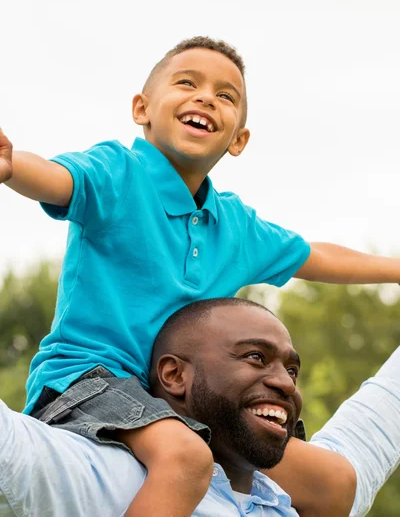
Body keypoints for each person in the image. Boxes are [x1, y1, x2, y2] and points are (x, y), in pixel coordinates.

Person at [1, 36, 400, 517]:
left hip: (186, 405)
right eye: (187, 83)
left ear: (238, 139)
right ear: (142, 108)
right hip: (89, 382)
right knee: (185, 458)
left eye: (226, 95)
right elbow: (57, 178)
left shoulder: (235, 226)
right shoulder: (118, 172)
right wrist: (10, 166)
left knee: (333, 481)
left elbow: (314, 256)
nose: (206, 97)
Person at [0, 297, 399, 516]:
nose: (284, 383)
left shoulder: (297, 497)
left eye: (292, 370)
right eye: (255, 358)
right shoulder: (108, 478)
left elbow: (386, 406)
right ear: (175, 375)